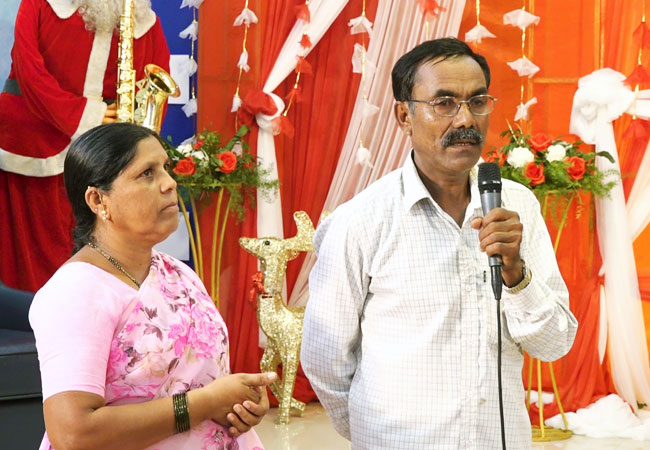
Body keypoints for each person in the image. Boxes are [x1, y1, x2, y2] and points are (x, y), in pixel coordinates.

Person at [301, 38, 578, 449]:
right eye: (444, 102)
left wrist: (517, 275)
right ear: (404, 115)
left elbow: (555, 343)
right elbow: (325, 361)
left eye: (477, 101)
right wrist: (377, 433)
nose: (465, 118)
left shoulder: (517, 206)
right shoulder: (360, 221)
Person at [29, 122, 275, 449]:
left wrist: (238, 403)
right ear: (98, 200)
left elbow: (199, 380)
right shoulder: (76, 292)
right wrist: (205, 403)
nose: (170, 183)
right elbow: (73, 433)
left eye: (166, 169)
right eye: (147, 173)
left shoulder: (177, 273)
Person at [0, 0, 170, 292]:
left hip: (105, 154)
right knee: (41, 258)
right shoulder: (40, 4)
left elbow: (156, 80)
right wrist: (85, 114)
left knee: (103, 250)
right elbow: (29, 71)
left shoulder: (144, 21)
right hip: (34, 140)